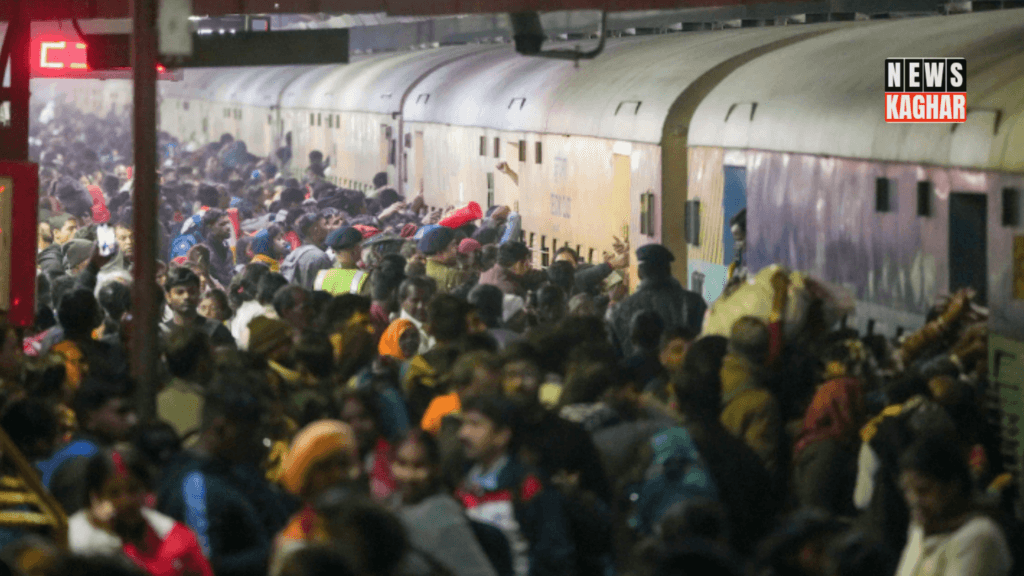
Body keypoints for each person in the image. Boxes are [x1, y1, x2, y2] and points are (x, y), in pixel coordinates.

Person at [157, 382, 275, 576]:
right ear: (221, 428)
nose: (257, 442)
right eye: (250, 432)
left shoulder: (232, 472)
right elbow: (201, 565)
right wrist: (274, 554)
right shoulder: (196, 484)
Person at [455, 394, 577, 576]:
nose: (462, 434)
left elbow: (553, 552)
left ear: (502, 436)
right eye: (463, 424)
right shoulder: (465, 483)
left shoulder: (528, 484)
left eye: (475, 424)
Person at [68, 448, 214, 576]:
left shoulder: (174, 536)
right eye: (114, 493)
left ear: (146, 489)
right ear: (95, 496)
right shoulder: (74, 540)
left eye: (133, 489)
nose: (126, 501)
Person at [895, 435, 1012, 576]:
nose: (913, 500)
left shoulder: (979, 536)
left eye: (923, 490)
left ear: (952, 486)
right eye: (907, 491)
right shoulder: (920, 530)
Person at [390, 430, 501, 576]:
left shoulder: (442, 515)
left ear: (435, 469)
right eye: (401, 464)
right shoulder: (393, 505)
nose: (408, 475)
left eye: (419, 466)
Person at [271, 420, 362, 576]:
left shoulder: (364, 524)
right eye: (325, 467)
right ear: (306, 476)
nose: (338, 474)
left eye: (343, 464)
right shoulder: (294, 541)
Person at [39, 375, 139, 515]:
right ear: (89, 417)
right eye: (121, 412)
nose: (133, 420)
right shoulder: (85, 459)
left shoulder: (77, 449)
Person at [609, 244, 706, 358]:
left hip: (636, 374)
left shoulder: (620, 310)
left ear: (640, 272)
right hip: (684, 373)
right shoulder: (694, 302)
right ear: (669, 270)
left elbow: (616, 356)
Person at [160, 267, 234, 348]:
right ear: (168, 297)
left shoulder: (216, 331)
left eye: (192, 291)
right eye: (180, 292)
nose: (186, 296)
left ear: (199, 294)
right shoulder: (162, 333)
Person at [281, 213, 332, 291]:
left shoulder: (292, 255)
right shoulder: (319, 256)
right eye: (325, 224)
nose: (329, 228)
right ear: (315, 229)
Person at [315, 227, 371, 296]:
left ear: (333, 251)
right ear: (355, 249)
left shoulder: (321, 276)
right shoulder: (363, 278)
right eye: (360, 245)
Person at [199, 208, 235, 289]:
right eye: (222, 224)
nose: (228, 227)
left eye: (227, 223)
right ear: (210, 227)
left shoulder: (224, 244)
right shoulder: (207, 253)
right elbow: (223, 280)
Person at [420, 227, 461, 294]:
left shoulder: (430, 266)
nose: (457, 247)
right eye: (453, 244)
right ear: (440, 252)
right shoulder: (451, 275)